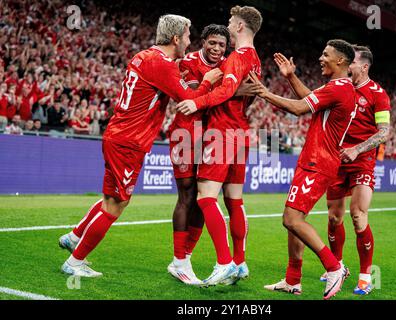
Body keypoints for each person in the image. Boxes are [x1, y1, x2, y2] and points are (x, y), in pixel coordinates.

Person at [57, 14, 223, 278]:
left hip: (118, 134)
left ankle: (76, 237)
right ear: (176, 38)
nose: (190, 42)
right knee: (116, 205)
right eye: (188, 36)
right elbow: (190, 99)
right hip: (129, 141)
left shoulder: (143, 56)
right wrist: (208, 81)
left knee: (110, 198)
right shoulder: (162, 65)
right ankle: (75, 262)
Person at [249, 39, 357, 300]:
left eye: (325, 54)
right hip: (315, 160)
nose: (321, 58)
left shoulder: (339, 88)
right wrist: (291, 77)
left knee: (292, 220)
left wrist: (263, 92)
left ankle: (334, 267)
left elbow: (299, 109)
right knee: (294, 222)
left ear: (340, 61)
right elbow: (310, 100)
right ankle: (292, 280)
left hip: (317, 163)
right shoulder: (338, 87)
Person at [176, 5, 263, 286]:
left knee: (205, 198)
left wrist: (197, 100)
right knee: (234, 201)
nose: (228, 24)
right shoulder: (256, 58)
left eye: (230, 22)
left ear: (239, 27)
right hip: (241, 133)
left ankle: (224, 262)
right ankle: (239, 262)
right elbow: (238, 91)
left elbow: (225, 90)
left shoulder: (237, 56)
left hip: (222, 132)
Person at [320, 45, 391, 295]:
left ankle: (365, 276)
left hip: (362, 161)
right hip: (336, 161)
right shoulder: (342, 88)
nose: (347, 66)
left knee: (358, 215)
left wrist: (358, 149)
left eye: (352, 63)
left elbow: (384, 132)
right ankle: (337, 266)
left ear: (364, 66)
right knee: (333, 218)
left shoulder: (378, 94)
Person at [167, 24, 230, 285]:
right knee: (188, 195)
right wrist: (208, 84)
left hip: (211, 139)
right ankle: (179, 261)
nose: (216, 49)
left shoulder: (228, 66)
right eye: (212, 43)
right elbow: (187, 101)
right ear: (203, 41)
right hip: (184, 134)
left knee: (206, 199)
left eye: (222, 45)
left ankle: (185, 257)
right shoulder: (186, 63)